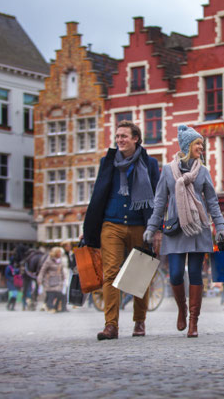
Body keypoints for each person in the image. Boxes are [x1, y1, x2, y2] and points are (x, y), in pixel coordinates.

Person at [144, 125, 224, 338]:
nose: (201, 147)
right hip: (175, 229)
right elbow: (160, 201)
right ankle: (182, 309)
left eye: (202, 143)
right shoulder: (168, 172)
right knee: (176, 274)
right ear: (186, 146)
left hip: (198, 228)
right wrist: (152, 228)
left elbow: (212, 202)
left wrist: (220, 226)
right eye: (197, 143)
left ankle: (193, 322)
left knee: (197, 274)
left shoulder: (204, 172)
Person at [83, 120, 160, 340]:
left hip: (140, 225)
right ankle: (111, 325)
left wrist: (156, 228)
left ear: (136, 139)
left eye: (124, 136)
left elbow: (158, 197)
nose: (119, 140)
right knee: (111, 274)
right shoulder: (107, 162)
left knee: (139, 275)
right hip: (111, 224)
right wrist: (89, 227)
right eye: (117, 137)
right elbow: (98, 195)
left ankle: (139, 322)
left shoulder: (150, 163)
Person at [38, 247, 66, 313]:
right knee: (51, 295)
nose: (60, 254)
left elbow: (62, 271)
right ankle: (51, 308)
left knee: (60, 295)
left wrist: (64, 279)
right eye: (59, 252)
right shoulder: (49, 261)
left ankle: (58, 307)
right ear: (55, 253)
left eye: (60, 252)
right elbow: (42, 270)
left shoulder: (60, 261)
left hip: (58, 281)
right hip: (49, 281)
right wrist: (40, 279)